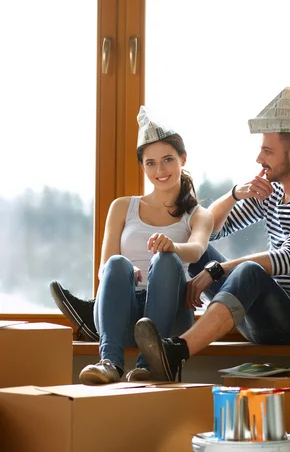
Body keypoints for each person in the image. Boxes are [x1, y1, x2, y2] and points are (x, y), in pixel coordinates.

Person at [132, 87, 290, 381]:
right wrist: (235, 194)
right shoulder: (271, 193)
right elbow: (211, 229)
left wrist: (218, 270)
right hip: (257, 314)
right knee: (196, 250)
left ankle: (175, 351)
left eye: (268, 151)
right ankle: (135, 312)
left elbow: (288, 259)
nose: (259, 157)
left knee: (247, 270)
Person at [69, 106, 213, 385]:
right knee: (117, 263)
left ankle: (150, 362)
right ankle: (109, 361)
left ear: (183, 159)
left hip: (171, 318)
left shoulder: (198, 214)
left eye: (168, 159)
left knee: (167, 260)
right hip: (123, 315)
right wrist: (126, 273)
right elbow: (104, 268)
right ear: (143, 165)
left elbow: (196, 250)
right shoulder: (122, 207)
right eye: (150, 163)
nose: (160, 170)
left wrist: (171, 246)